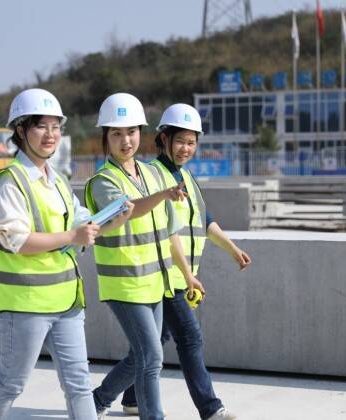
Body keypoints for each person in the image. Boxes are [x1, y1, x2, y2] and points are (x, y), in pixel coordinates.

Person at [0, 88, 132, 420]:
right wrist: (73, 235)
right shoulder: (10, 181)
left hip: (66, 302)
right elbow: (17, 240)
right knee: (11, 383)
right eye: (41, 126)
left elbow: (82, 224)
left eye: (56, 127)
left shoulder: (58, 180)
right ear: (21, 130)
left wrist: (111, 220)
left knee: (79, 384)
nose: (51, 135)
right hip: (25, 305)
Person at [119, 103, 252, 420]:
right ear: (164, 138)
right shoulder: (154, 175)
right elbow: (162, 228)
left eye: (192, 142)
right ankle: (210, 408)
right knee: (190, 338)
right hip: (165, 273)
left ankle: (125, 397)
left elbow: (204, 220)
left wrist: (232, 249)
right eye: (180, 141)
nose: (186, 148)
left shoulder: (187, 177)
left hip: (183, 274)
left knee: (153, 342)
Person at [85, 93, 203, 420]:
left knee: (142, 356)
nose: (126, 141)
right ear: (105, 136)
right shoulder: (102, 181)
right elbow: (128, 210)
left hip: (154, 283)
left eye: (132, 132)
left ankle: (96, 401)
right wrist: (163, 194)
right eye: (117, 133)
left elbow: (170, 231)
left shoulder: (151, 175)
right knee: (151, 358)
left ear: (141, 133)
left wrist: (187, 275)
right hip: (125, 286)